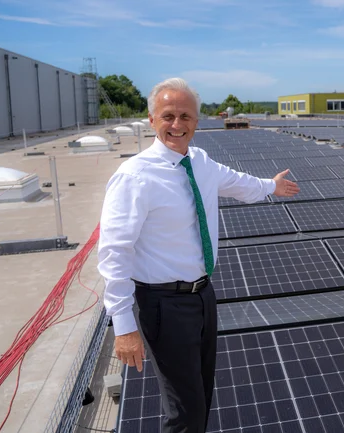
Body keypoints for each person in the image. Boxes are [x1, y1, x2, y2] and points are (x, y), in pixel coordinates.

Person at [97, 77, 299, 433]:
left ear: (197, 121)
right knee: (184, 411)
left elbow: (237, 182)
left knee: (202, 394)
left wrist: (271, 186)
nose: (177, 125)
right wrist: (124, 326)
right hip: (162, 304)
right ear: (151, 120)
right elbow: (114, 252)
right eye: (168, 116)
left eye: (186, 116)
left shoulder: (200, 161)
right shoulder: (134, 176)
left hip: (203, 296)